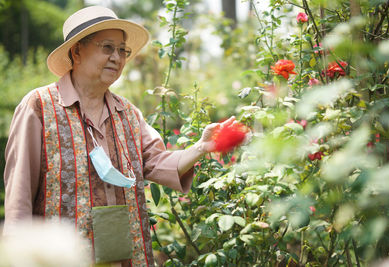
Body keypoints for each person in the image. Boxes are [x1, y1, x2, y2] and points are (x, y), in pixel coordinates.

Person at [2, 6, 237, 267]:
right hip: (63, 260)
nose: (117, 57)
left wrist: (202, 147)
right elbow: (19, 194)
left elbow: (158, 162)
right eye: (107, 48)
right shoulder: (38, 106)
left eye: (122, 50)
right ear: (77, 51)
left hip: (126, 258)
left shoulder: (128, 113)